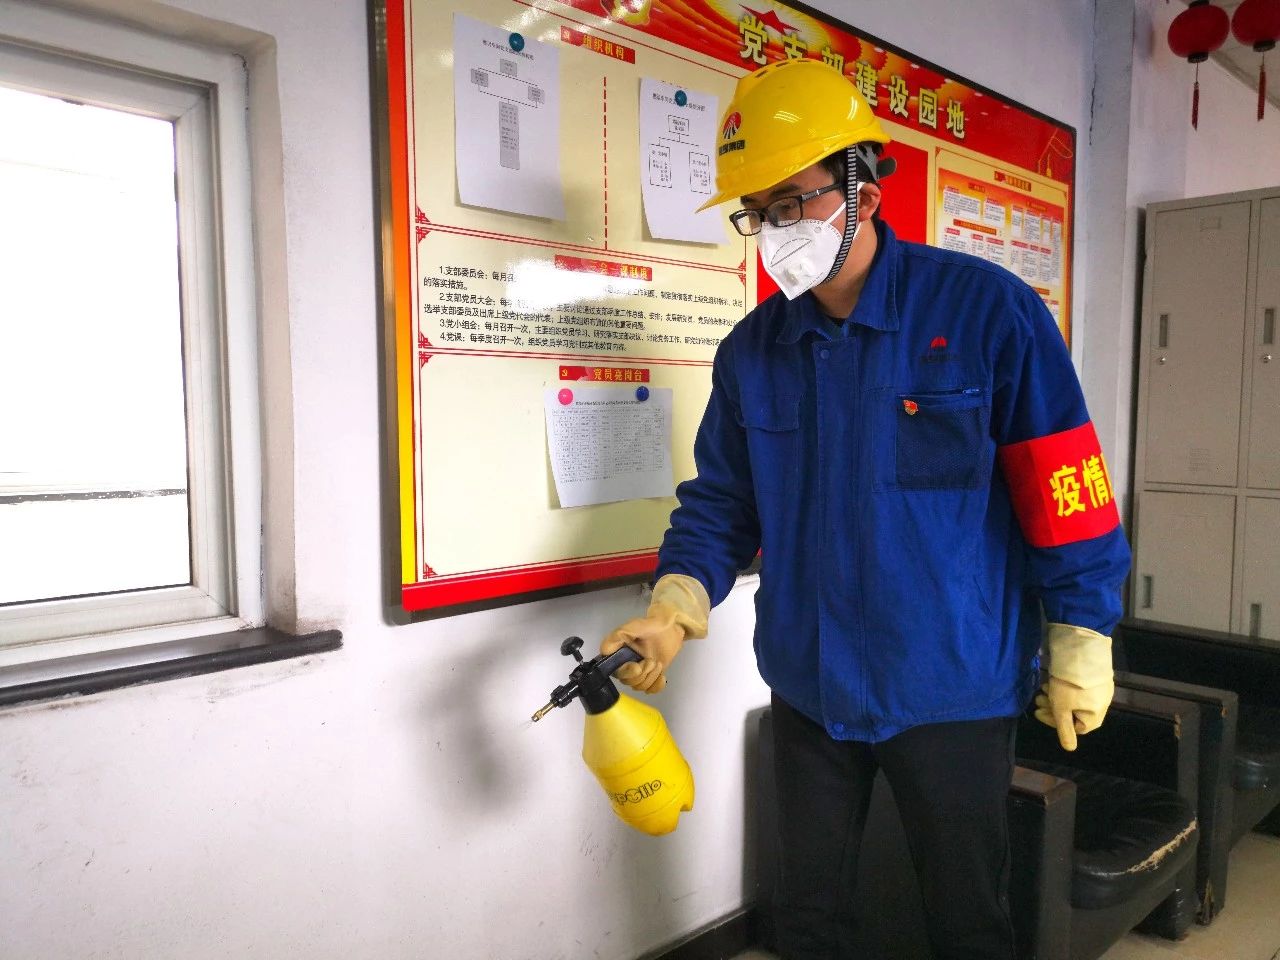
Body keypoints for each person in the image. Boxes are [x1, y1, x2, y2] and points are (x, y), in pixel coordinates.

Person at [600, 59, 1130, 960]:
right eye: (756, 212)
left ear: (865, 195)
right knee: (806, 919)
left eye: (790, 202)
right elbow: (722, 501)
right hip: (811, 684)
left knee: (969, 920)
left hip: (951, 683)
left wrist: (1082, 631)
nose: (774, 231)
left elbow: (1063, 482)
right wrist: (674, 603)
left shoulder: (986, 312)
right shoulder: (754, 351)